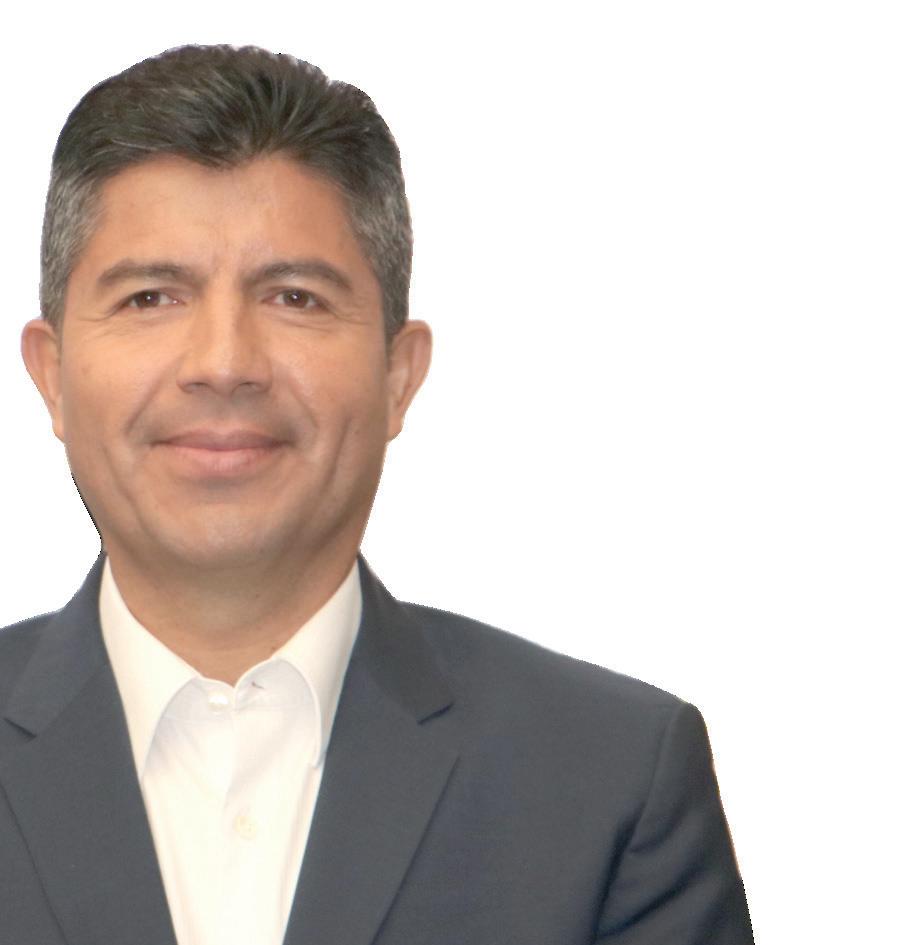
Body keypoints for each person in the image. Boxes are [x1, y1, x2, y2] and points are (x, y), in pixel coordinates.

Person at [0, 44, 753, 945]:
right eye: (151, 297)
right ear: (51, 374)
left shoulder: (610, 782)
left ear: (399, 374)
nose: (224, 363)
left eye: (294, 297)